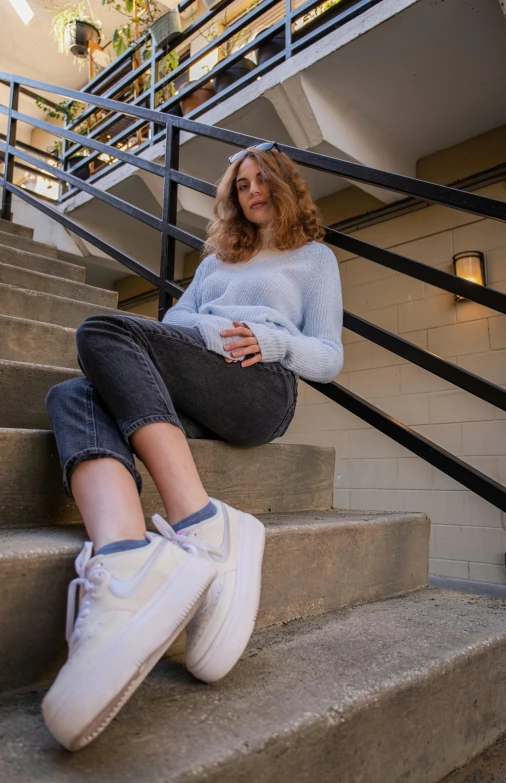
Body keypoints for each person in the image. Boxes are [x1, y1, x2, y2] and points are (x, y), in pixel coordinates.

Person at [43, 140, 344, 751]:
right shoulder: (215, 264)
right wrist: (208, 328)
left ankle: (201, 521)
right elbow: (176, 323)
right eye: (241, 184)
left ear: (285, 184)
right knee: (72, 394)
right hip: (194, 376)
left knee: (102, 330)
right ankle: (126, 557)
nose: (252, 191)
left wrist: (274, 344)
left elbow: (330, 356)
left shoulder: (313, 259)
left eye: (263, 180)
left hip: (259, 387)